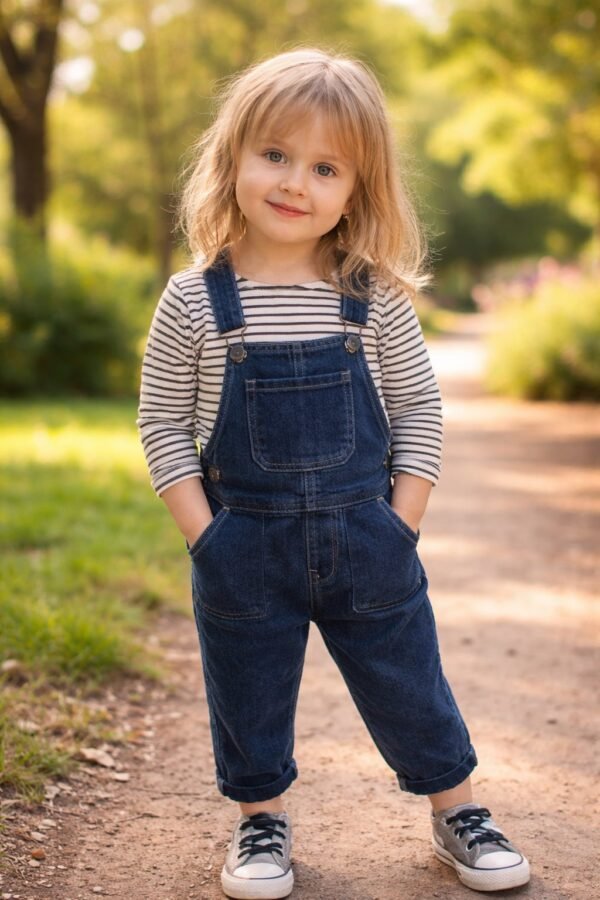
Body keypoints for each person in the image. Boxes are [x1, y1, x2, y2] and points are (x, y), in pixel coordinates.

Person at [137, 47, 530, 900]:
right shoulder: (193, 300)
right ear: (233, 156)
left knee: (410, 684)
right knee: (248, 693)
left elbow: (421, 411)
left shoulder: (372, 295)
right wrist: (208, 539)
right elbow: (162, 423)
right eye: (274, 155)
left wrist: (402, 523)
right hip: (243, 541)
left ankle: (456, 811)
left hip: (367, 535)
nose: (294, 183)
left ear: (358, 188)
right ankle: (260, 824)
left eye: (324, 168)